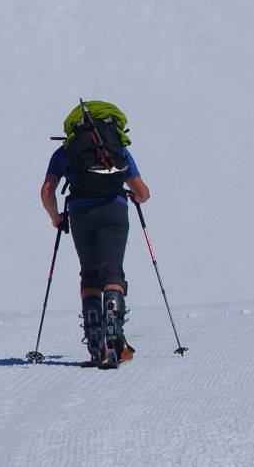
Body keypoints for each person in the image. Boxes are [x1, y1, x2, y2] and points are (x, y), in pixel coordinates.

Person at [40, 108, 152, 366]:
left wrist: (55, 217)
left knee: (89, 274)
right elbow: (142, 192)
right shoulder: (118, 148)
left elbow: (47, 190)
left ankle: (96, 345)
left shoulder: (66, 152)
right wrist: (135, 197)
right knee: (113, 272)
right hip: (114, 211)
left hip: (81, 213)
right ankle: (115, 342)